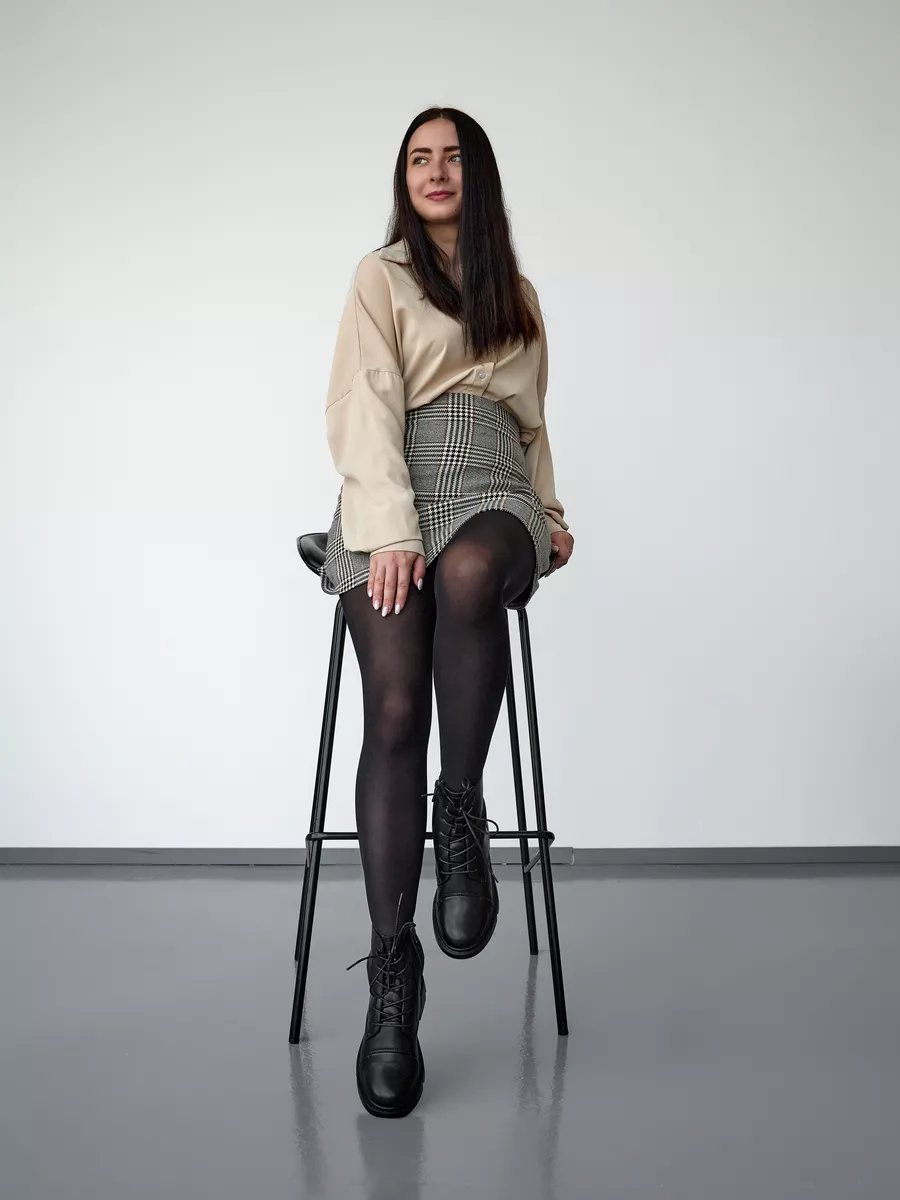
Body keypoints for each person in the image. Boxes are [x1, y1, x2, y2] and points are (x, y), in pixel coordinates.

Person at [318, 106, 574, 1118]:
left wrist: (549, 514)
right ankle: (393, 971)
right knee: (392, 710)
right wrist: (387, 529)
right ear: (404, 177)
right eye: (418, 158)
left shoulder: (518, 294)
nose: (434, 171)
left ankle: (458, 811)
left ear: (479, 175)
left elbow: (533, 424)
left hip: (493, 480)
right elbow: (363, 405)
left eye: (452, 157)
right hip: (396, 479)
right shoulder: (380, 277)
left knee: (470, 576)